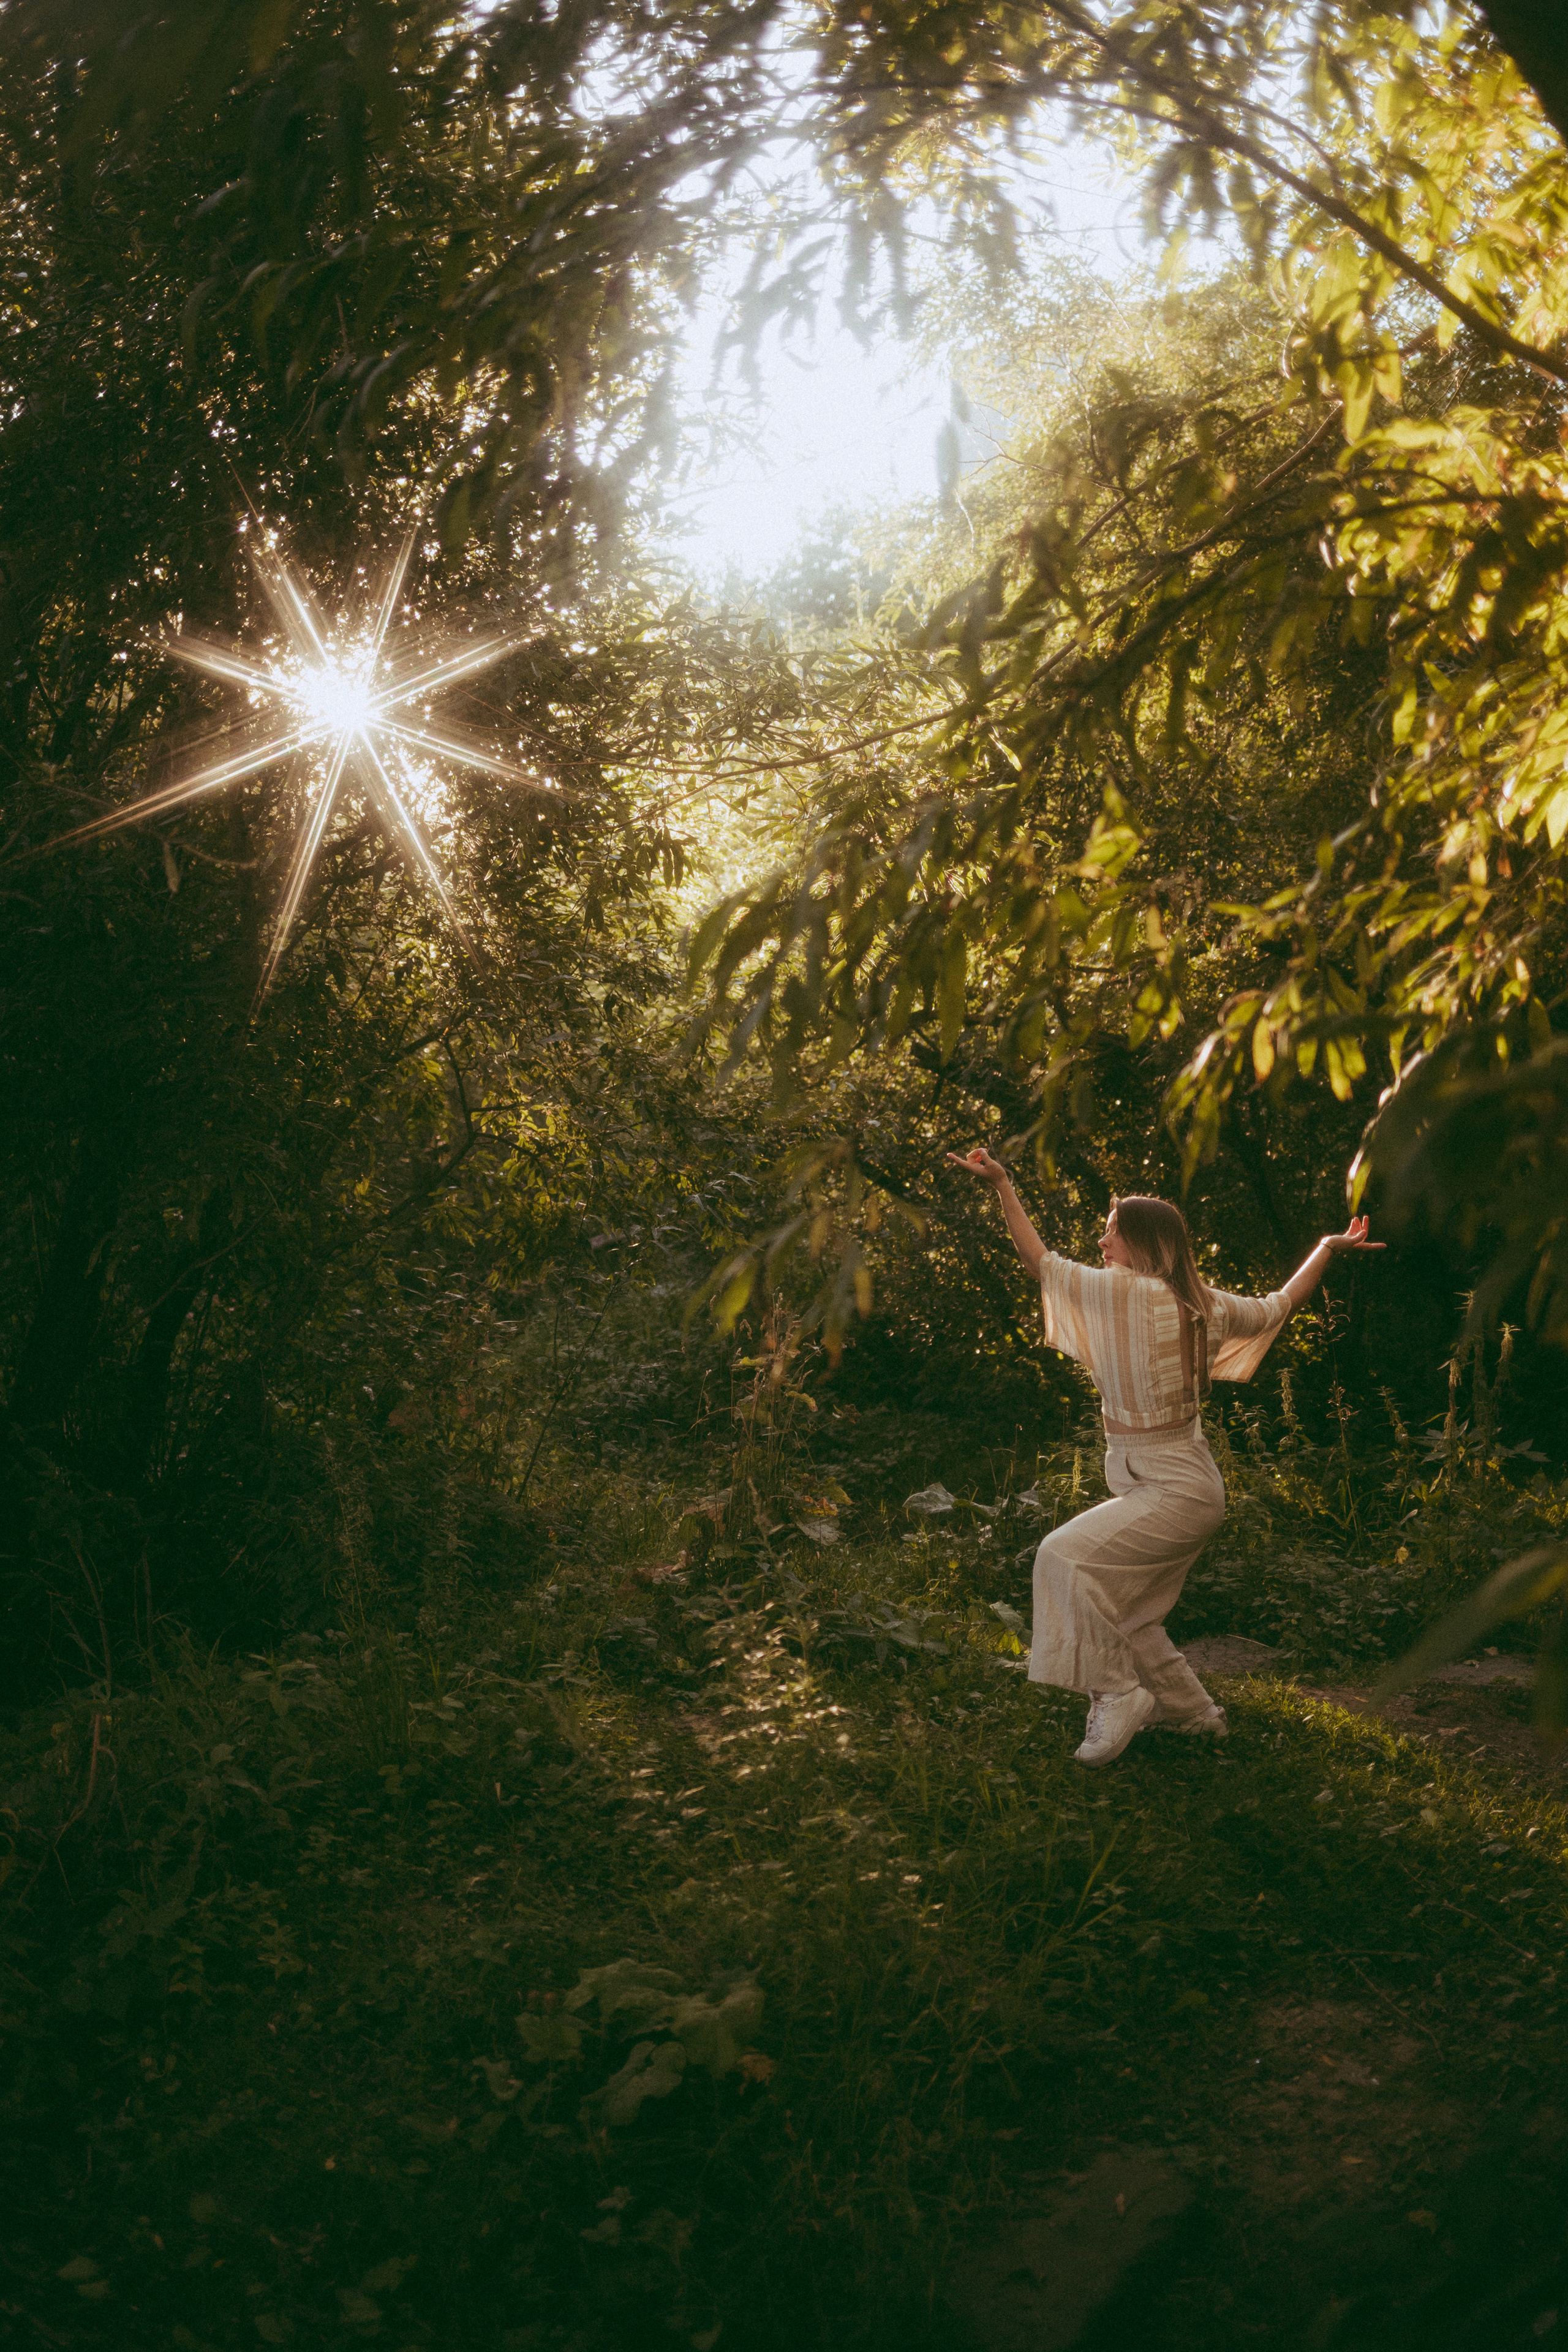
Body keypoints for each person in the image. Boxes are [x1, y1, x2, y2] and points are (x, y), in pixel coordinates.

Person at [948, 1150, 1383, 1766]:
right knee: (1127, 1613)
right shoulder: (1205, 1302)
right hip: (1188, 1486)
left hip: (1172, 1492)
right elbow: (1280, 1304)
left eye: (1112, 1232)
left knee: (1061, 1557)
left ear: (1143, 1243)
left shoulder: (1123, 1292)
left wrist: (1002, 1186)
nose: (1102, 1242)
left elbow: (1037, 1262)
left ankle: (1118, 1693)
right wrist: (1326, 1248)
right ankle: (1195, 1718)